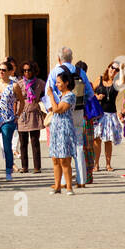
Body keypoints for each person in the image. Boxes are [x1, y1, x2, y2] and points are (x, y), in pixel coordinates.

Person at [45, 47, 91, 185]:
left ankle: (64, 181)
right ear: (72, 58)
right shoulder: (80, 71)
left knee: (62, 145)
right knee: (78, 144)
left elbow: (48, 92)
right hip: (77, 110)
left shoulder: (55, 72)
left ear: (59, 59)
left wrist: (51, 109)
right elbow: (89, 92)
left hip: (62, 112)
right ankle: (82, 179)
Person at [46, 70, 76, 194]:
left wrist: (51, 96)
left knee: (64, 159)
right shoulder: (60, 96)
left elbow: (58, 109)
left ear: (66, 83)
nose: (57, 84)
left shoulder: (70, 96)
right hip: (55, 128)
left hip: (64, 128)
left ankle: (69, 187)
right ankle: (57, 185)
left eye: (59, 82)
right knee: (55, 158)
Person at [0, 60, 19, 180]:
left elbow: (21, 101)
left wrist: (17, 114)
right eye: (0, 70)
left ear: (9, 72)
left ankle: (9, 171)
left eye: (4, 70)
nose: (1, 72)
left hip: (8, 119)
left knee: (7, 146)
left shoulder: (14, 85)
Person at [93, 62, 123, 172]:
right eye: (112, 68)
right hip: (99, 114)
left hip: (111, 114)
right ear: (108, 67)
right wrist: (96, 96)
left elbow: (123, 81)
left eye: (116, 70)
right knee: (97, 140)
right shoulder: (99, 79)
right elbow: (90, 91)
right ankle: (96, 164)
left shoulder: (116, 82)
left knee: (108, 140)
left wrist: (122, 70)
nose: (113, 71)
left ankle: (108, 164)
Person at [16, 61, 44, 173]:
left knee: (35, 141)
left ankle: (37, 167)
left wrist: (40, 102)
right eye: (24, 70)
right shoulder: (19, 84)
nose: (27, 72)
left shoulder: (40, 83)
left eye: (29, 70)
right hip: (22, 114)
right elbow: (15, 99)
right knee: (23, 142)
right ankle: (24, 166)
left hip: (34, 113)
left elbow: (47, 94)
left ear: (34, 70)